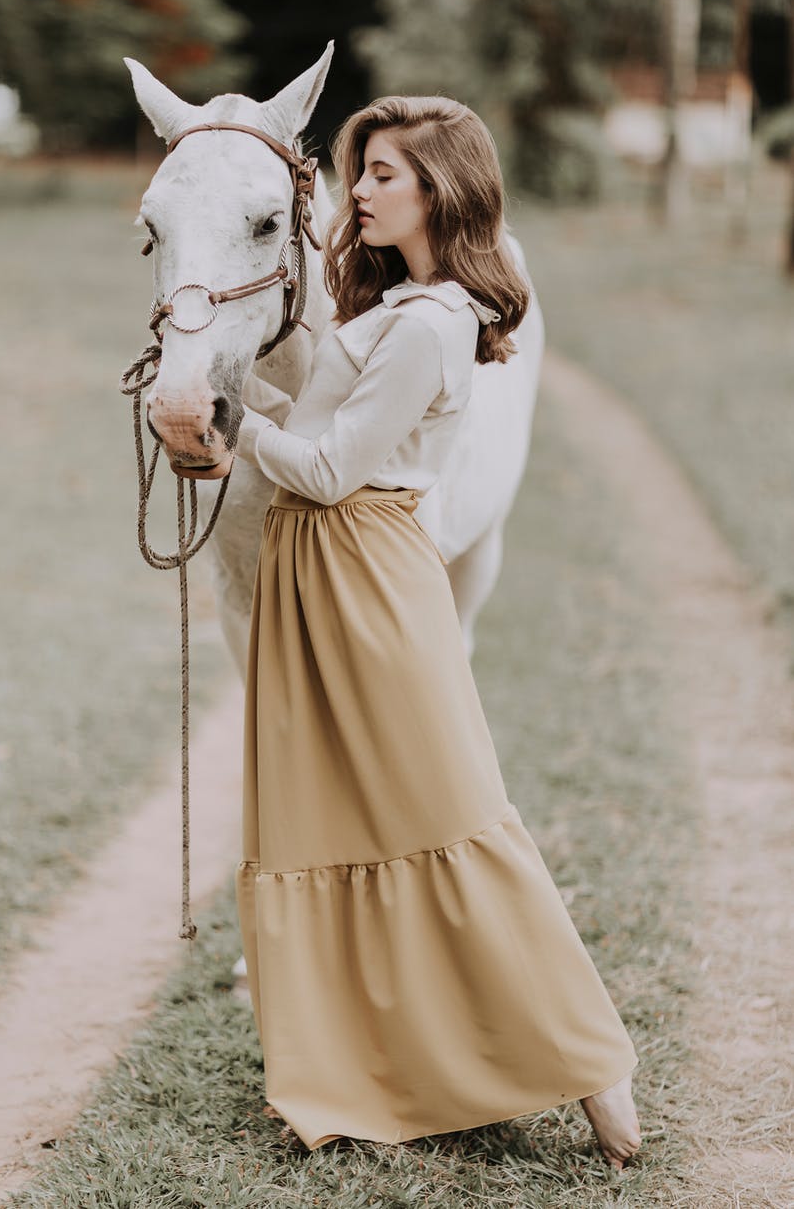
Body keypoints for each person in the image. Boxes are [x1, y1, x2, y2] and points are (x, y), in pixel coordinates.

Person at [230, 94, 642, 1168]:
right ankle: (380, 1055)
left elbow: (328, 469)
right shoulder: (394, 299)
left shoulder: (431, 321)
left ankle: (594, 1062)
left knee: (450, 811)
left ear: (440, 191)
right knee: (336, 821)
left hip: (364, 565)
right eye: (361, 170)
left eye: (385, 174)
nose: (361, 191)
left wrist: (238, 418)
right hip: (317, 570)